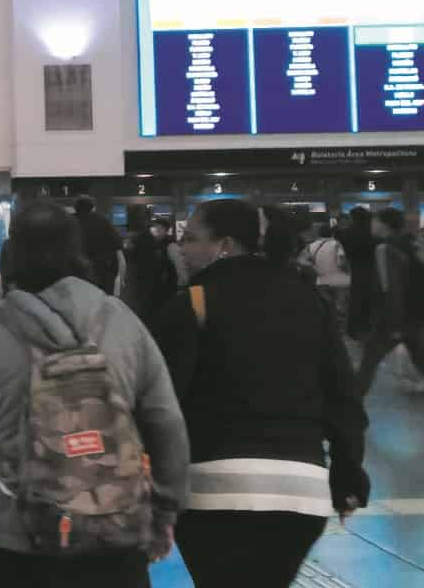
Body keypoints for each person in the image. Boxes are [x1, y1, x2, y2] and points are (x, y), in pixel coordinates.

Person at [0, 203, 189, 586]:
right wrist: (165, 510)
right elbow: (166, 421)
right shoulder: (122, 321)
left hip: (13, 541)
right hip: (113, 534)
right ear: (76, 252)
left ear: (12, 253)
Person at [153, 200, 369, 587]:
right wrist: (348, 473)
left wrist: (157, 491)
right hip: (300, 493)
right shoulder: (309, 301)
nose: (182, 248)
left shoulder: (192, 303)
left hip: (213, 490)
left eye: (191, 238)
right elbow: (342, 397)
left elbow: (164, 407)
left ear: (226, 245)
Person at [355, 207, 424, 396]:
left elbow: (391, 288)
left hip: (394, 320)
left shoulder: (384, 249)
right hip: (415, 316)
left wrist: (393, 324)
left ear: (384, 224)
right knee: (419, 357)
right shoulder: (412, 245)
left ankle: (350, 407)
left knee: (368, 363)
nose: (372, 223)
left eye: (375, 220)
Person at [299, 224, 351, 334]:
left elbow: (302, 261)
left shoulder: (311, 246)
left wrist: (315, 268)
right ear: (332, 233)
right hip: (339, 281)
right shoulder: (337, 244)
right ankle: (340, 330)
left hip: (321, 280)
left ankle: (330, 328)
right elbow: (341, 262)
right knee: (340, 307)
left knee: (326, 305)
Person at [130, 217, 179, 332]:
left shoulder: (170, 245)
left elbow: (178, 268)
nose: (156, 231)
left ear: (166, 230)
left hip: (165, 287)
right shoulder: (152, 243)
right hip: (155, 287)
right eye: (154, 228)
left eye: (159, 228)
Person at [339, 208, 378, 341]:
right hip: (373, 269)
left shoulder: (347, 233)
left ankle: (354, 330)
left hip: (355, 269)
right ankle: (369, 328)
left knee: (356, 300)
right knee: (371, 300)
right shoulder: (373, 233)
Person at [74, 196, 125, 296]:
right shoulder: (103, 221)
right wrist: (121, 278)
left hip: (76, 274)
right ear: (93, 207)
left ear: (75, 207)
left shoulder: (69, 221)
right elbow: (119, 253)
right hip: (101, 273)